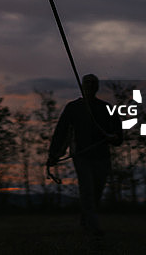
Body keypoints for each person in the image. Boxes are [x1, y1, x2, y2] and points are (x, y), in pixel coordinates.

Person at [47, 73, 122, 236]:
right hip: (81, 155)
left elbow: (118, 134)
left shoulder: (106, 108)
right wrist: (53, 155)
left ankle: (86, 219)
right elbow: (61, 132)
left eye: (92, 83)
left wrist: (114, 137)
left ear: (96, 87)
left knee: (96, 191)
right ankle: (93, 226)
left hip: (101, 155)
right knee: (87, 189)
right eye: (86, 83)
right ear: (82, 86)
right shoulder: (73, 108)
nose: (89, 86)